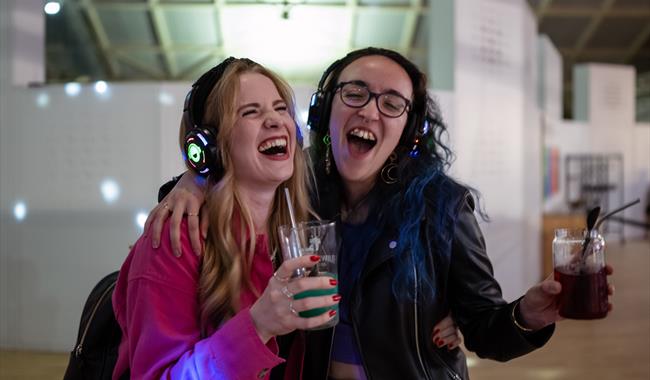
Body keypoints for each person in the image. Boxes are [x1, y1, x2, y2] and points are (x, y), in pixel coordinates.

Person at [147, 48, 614, 379]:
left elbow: (485, 330)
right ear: (325, 112)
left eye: (392, 103)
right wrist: (194, 181)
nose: (371, 110)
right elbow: (242, 174)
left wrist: (527, 316)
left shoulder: (442, 208)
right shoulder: (300, 188)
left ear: (408, 132)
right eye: (355, 93)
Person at [112, 57, 342, 379]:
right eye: (250, 112)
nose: (276, 121)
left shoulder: (297, 229)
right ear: (209, 147)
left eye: (280, 109)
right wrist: (258, 325)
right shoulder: (173, 242)